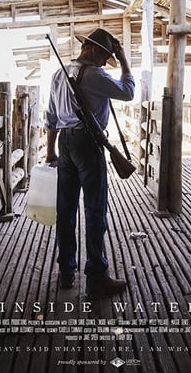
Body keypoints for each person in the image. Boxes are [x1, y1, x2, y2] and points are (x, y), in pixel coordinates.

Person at [45, 28, 135, 299]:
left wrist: (50, 151)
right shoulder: (95, 75)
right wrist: (124, 60)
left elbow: (50, 117)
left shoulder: (58, 74)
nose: (105, 61)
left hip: (65, 142)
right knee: (95, 210)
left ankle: (66, 273)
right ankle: (97, 276)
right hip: (88, 144)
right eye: (106, 56)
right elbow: (128, 91)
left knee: (66, 210)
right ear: (93, 50)